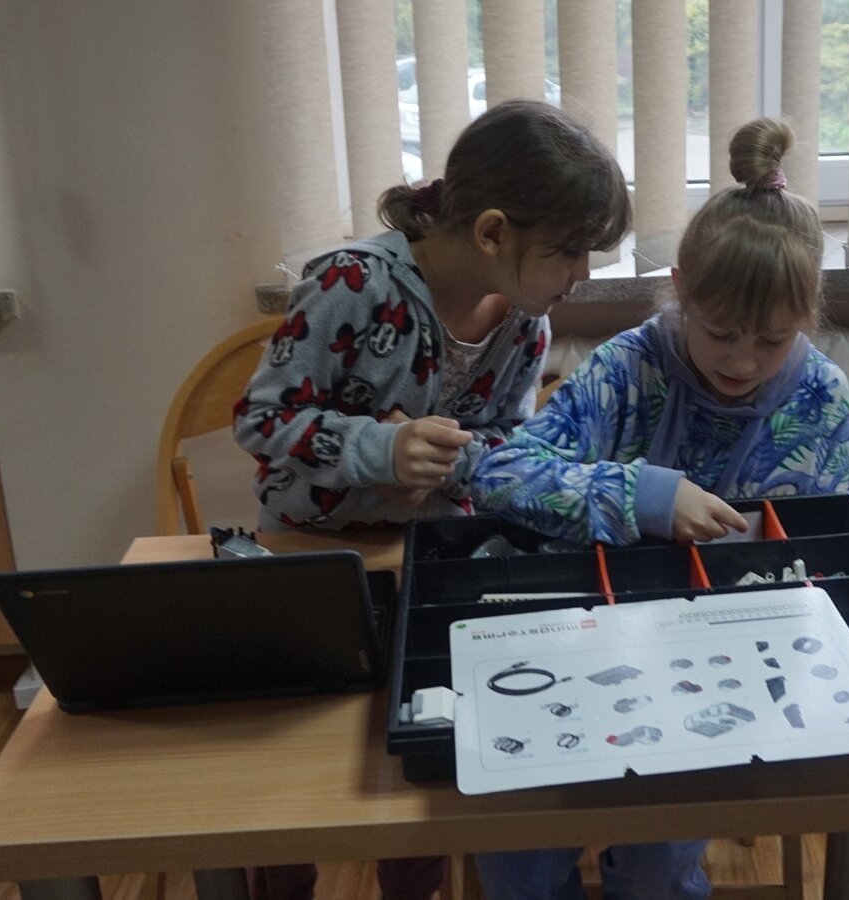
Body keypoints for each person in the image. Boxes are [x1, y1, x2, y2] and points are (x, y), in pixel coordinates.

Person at [234, 99, 629, 900]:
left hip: (432, 562)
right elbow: (260, 419)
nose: (582, 273)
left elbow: (502, 449)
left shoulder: (524, 325)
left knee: (422, 752)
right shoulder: (351, 283)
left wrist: (451, 461)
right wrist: (376, 450)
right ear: (491, 232)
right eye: (568, 250)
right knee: (291, 771)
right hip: (315, 557)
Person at [469, 117, 849, 898]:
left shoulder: (818, 396)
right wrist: (643, 495)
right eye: (719, 333)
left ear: (808, 314)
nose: (742, 361)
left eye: (772, 341)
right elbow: (498, 473)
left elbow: (826, 547)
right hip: (580, 636)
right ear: (679, 289)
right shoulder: (627, 369)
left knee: (658, 865)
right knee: (520, 853)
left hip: (720, 670)